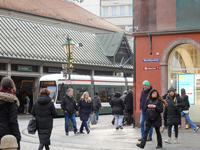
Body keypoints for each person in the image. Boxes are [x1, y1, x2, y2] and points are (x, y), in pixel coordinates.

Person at [0, 77, 21, 150]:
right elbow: (13, 121)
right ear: (12, 86)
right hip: (8, 133)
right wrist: (17, 137)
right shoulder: (12, 101)